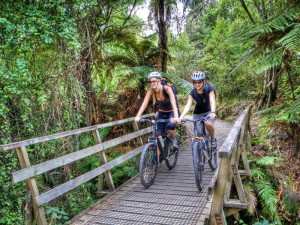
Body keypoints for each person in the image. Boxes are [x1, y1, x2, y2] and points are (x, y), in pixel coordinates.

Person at [135, 72, 180, 152]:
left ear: (159, 81)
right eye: (150, 82)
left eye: (154, 81)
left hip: (172, 111)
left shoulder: (167, 88)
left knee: (170, 126)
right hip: (162, 112)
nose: (152, 83)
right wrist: (138, 116)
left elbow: (173, 103)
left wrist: (176, 117)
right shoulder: (150, 91)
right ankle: (157, 161)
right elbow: (144, 103)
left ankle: (174, 139)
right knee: (158, 135)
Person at [177, 71, 217, 149]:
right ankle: (200, 153)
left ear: (203, 81)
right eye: (195, 82)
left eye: (199, 82)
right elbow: (188, 105)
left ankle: (213, 139)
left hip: (209, 111)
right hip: (198, 113)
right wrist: (181, 116)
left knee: (208, 123)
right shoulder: (192, 93)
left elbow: (212, 101)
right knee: (199, 135)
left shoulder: (209, 88)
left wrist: (213, 112)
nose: (197, 84)